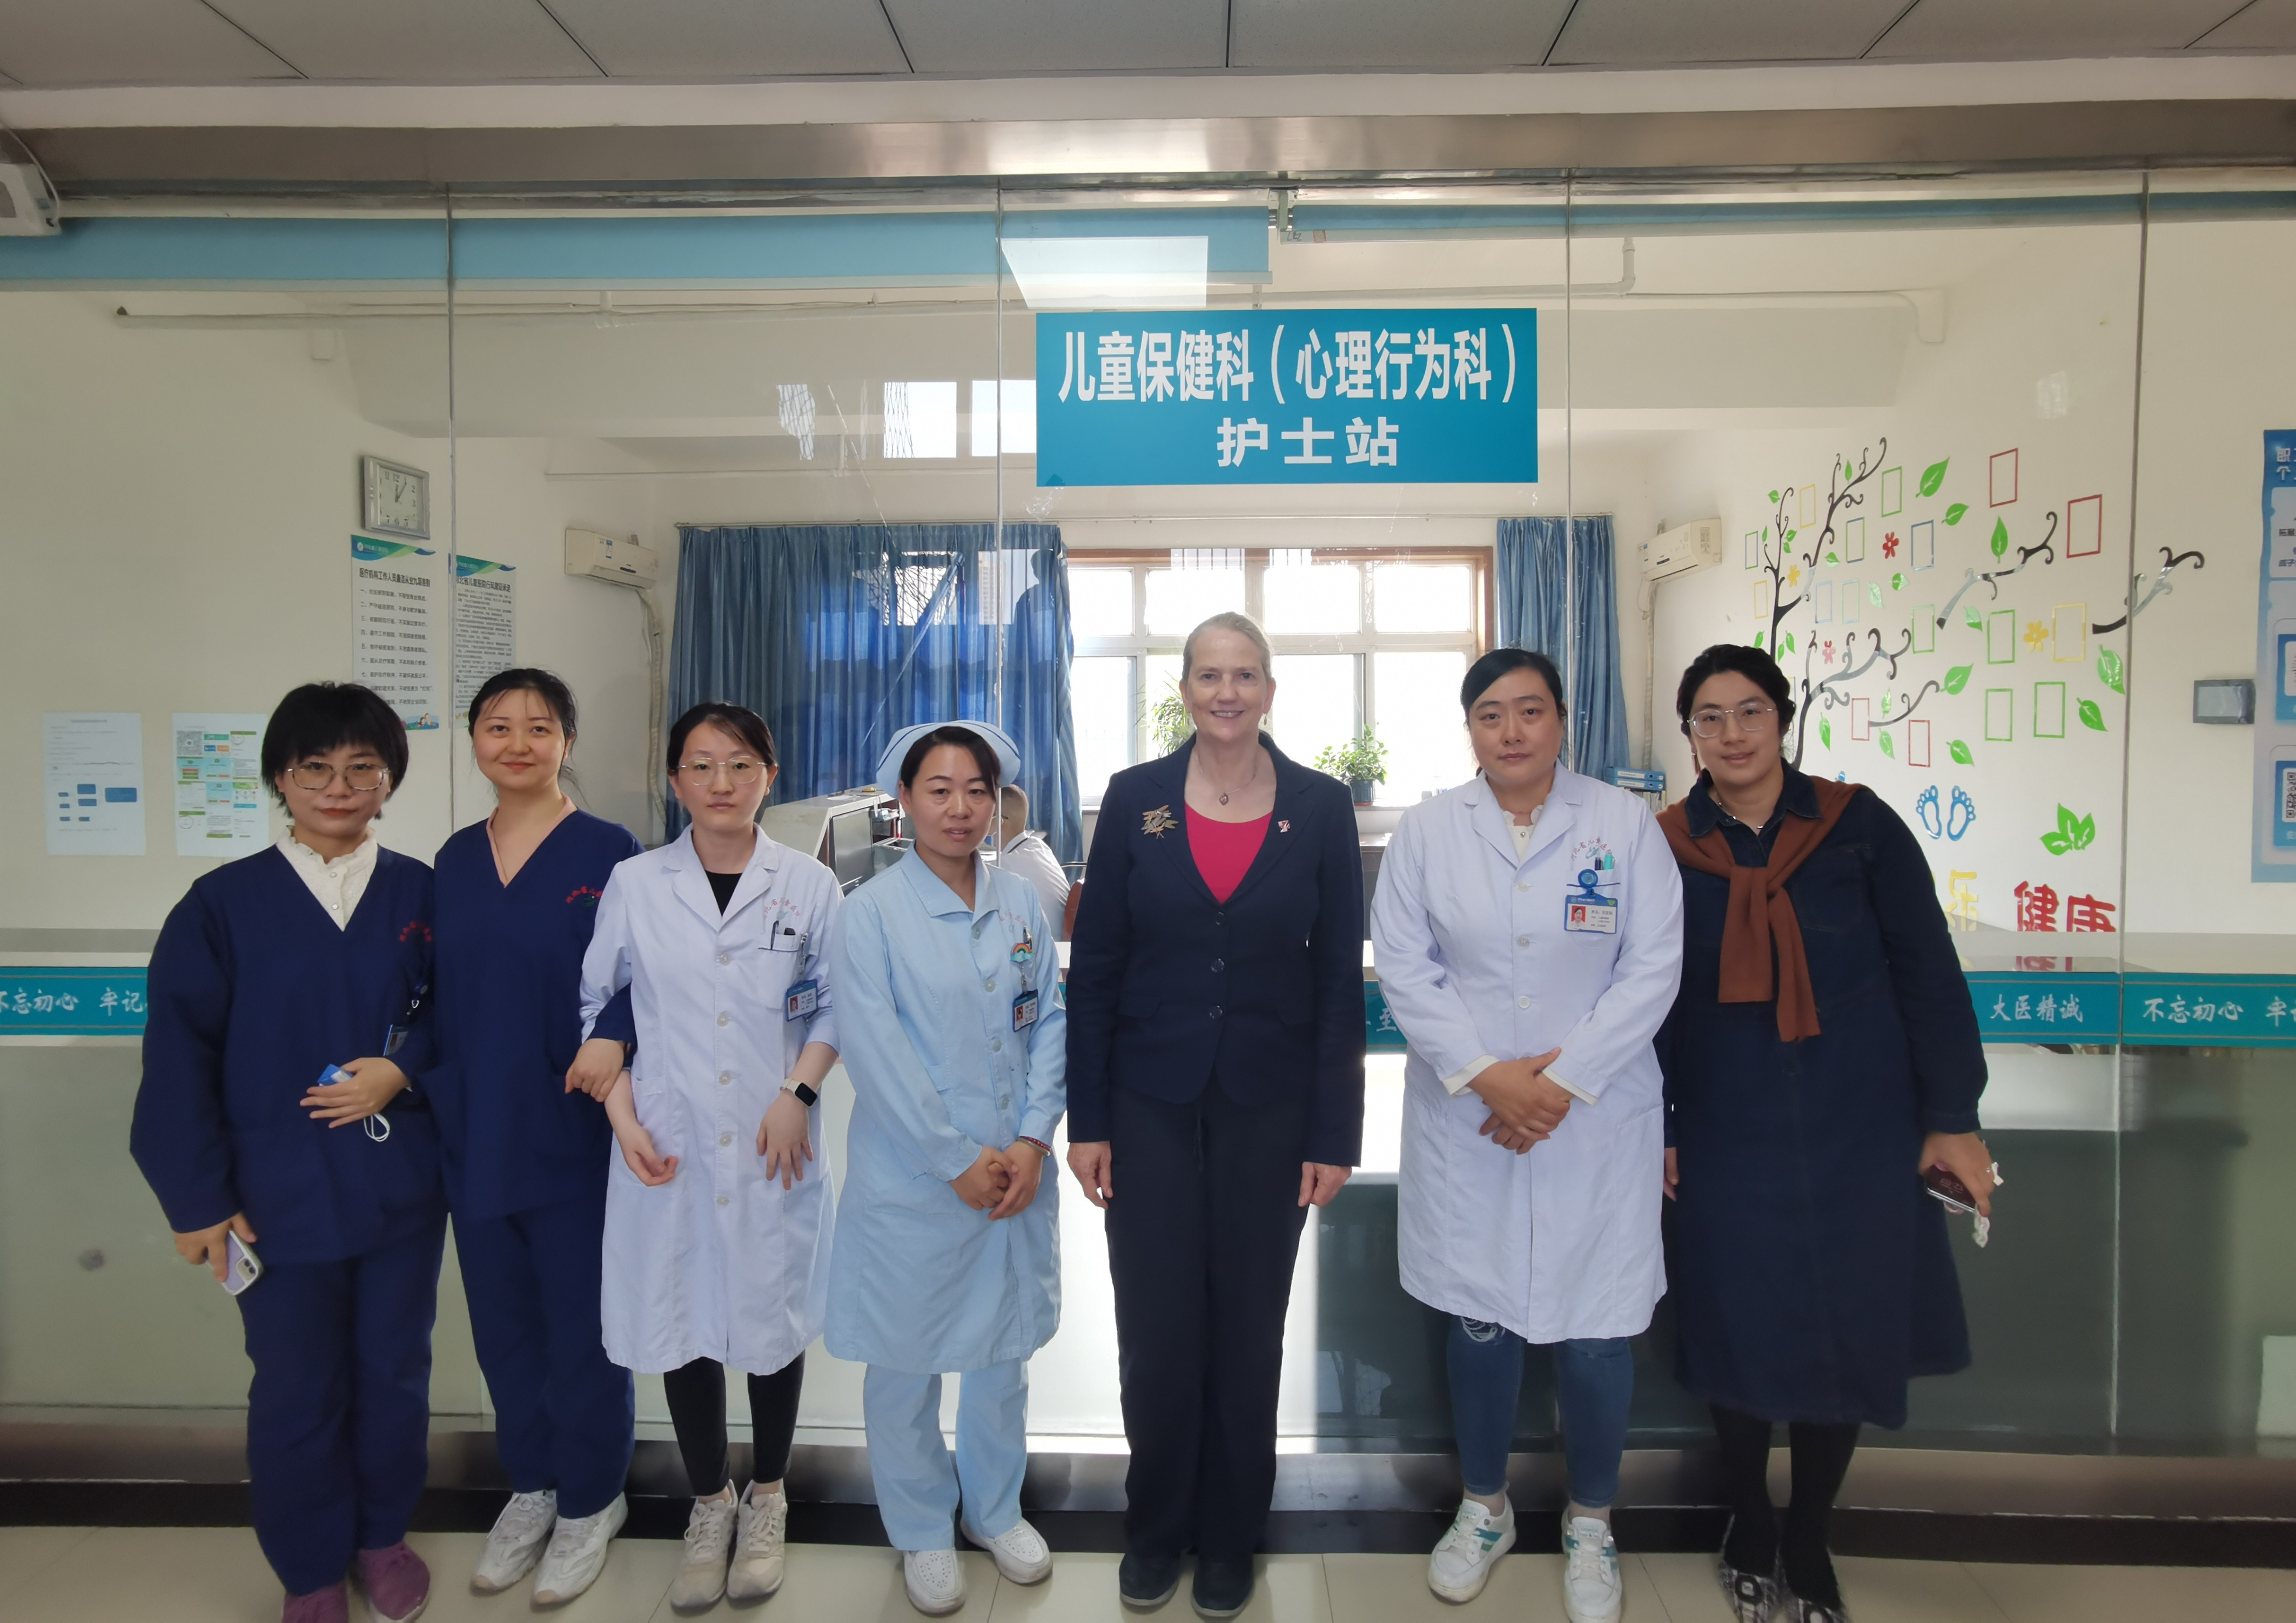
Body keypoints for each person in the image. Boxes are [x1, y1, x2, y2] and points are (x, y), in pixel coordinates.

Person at [1655, 644, 1996, 1623]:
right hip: (1726, 1122)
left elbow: (1928, 972)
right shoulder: (1666, 843)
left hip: (1860, 1116)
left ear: (1784, 718)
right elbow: (1650, 1000)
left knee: (1846, 1323)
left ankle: (1809, 1532)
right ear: (1690, 734)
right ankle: (1748, 1522)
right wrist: (1663, 1121)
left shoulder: (1858, 827)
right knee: (1739, 1321)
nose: (1731, 734)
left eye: (1749, 712)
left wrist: (1952, 1117)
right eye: (1710, 718)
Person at [1371, 648, 1684, 1623]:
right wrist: (1491, 1080)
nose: (1512, 731)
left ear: (1562, 722)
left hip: (1591, 1119)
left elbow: (1654, 965)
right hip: (1471, 1115)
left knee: (1597, 1332)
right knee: (1480, 1319)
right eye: (1492, 715)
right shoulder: (1430, 830)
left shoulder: (1624, 824)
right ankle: (1484, 1509)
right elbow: (1406, 965)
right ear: (1469, 730)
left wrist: (1559, 1084)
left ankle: (1591, 1523)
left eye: (1531, 712)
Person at [1065, 611, 1366, 1619]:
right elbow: (1097, 968)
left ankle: (1233, 1534)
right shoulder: (1136, 798)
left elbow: (1337, 985)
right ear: (1184, 690)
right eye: (1208, 675)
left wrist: (1334, 1133)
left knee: (1249, 1326)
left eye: (1245, 675)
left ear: (1270, 689)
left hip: (1272, 1108)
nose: (1227, 691)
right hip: (1148, 1100)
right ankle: (1155, 1529)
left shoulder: (1321, 808)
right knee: (1155, 1328)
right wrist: (1088, 1117)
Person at [131, 682, 441, 1623]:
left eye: (362, 768)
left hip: (397, 1190)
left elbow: (468, 1018)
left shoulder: (425, 894)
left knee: (393, 1373)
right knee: (297, 1387)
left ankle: (382, 1537)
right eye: (316, 768)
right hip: (273, 1197)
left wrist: (402, 1068)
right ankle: (308, 1567)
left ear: (390, 778)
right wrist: (196, 1201)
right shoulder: (221, 907)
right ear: (281, 778)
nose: (340, 787)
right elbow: (177, 1061)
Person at [573, 701, 842, 1612]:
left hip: (775, 1134)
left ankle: (768, 1497)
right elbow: (596, 1009)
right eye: (700, 766)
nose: (720, 784)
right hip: (668, 1137)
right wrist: (621, 1111)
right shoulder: (636, 883)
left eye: (739, 766)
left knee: (768, 1317)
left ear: (771, 773)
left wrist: (797, 1095)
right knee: (681, 1317)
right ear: (675, 780)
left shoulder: (808, 885)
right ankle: (708, 1501)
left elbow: (833, 1008)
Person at [827, 722, 1067, 1617]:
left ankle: (994, 1509)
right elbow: (878, 1055)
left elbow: (1050, 1024)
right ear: (906, 802)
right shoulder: (869, 916)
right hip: (918, 1185)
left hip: (1017, 1170)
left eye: (977, 789)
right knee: (906, 1361)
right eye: (940, 789)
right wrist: (957, 1159)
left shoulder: (1019, 906)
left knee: (1003, 1355)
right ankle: (923, 1529)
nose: (961, 808)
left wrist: (1035, 1139)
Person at [427, 669, 642, 1602]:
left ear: (567, 742)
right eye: (498, 726)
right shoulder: (452, 860)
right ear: (474, 739)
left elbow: (647, 974)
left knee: (583, 1327)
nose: (517, 743)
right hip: (474, 1128)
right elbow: (429, 991)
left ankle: (593, 1498)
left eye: (539, 727)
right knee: (503, 1326)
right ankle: (532, 1485)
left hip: (573, 1129)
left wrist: (612, 1035)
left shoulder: (611, 853)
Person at [993, 782, 1072, 929]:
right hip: (1064, 938)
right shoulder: (1040, 846)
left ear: (999, 822)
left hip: (1040, 945)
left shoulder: (1003, 866)